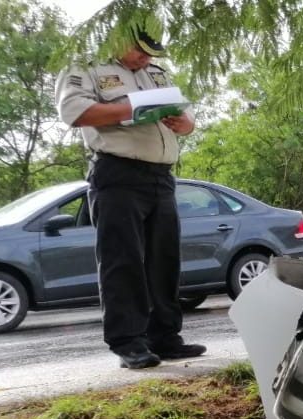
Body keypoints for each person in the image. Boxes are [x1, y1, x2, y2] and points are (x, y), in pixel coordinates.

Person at [55, 23, 206, 369]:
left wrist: (186, 124)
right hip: (118, 173)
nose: (144, 58)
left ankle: (165, 337)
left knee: (164, 260)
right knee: (122, 261)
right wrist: (132, 107)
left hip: (161, 175)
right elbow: (74, 112)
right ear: (119, 38)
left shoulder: (155, 71)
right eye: (139, 50)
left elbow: (184, 113)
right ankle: (128, 342)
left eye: (151, 53)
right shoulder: (86, 66)